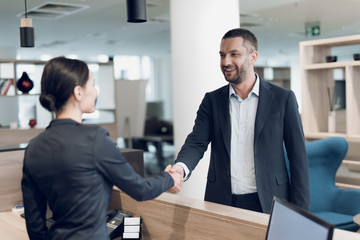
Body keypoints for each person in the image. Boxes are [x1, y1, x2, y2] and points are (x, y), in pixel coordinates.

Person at [21, 57, 183, 240]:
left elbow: (34, 225)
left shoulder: (33, 148)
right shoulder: (95, 139)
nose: (96, 91)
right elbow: (141, 189)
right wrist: (169, 178)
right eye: (93, 84)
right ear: (78, 92)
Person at [169, 28, 310, 214]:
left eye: (234, 54)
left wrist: (301, 215)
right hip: (221, 200)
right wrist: (179, 169)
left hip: (269, 201)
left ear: (253, 57)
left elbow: (298, 158)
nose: (226, 62)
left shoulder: (283, 99)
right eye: (222, 55)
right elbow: (196, 142)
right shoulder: (212, 101)